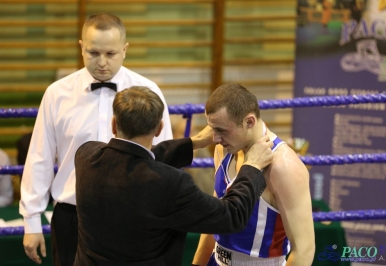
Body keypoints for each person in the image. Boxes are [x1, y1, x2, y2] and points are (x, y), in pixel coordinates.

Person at [19, 14, 173, 266]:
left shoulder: (149, 91)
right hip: (72, 216)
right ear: (81, 47)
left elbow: (164, 158)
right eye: (93, 52)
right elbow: (40, 158)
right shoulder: (57, 94)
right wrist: (31, 221)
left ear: (125, 50)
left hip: (133, 215)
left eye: (111, 53)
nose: (102, 62)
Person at [73, 86, 274, 265]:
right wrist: (252, 166)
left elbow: (132, 159)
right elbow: (231, 216)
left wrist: (192, 142)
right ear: (160, 128)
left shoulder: (86, 156)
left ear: (114, 124)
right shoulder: (170, 183)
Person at [192, 83, 315, 266]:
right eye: (213, 129)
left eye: (222, 130)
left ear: (249, 121)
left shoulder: (283, 166)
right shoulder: (223, 149)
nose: (215, 138)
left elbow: (304, 250)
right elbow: (216, 218)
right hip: (215, 260)